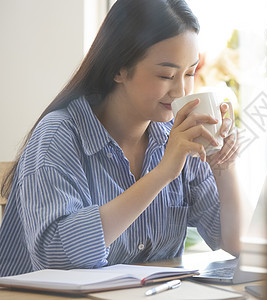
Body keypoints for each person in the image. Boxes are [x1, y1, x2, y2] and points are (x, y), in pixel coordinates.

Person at [0, 0, 241, 277]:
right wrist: (162, 173)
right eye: (166, 75)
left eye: (189, 73)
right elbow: (57, 257)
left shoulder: (177, 137)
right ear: (118, 69)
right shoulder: (58, 136)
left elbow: (232, 242)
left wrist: (222, 162)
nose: (181, 90)